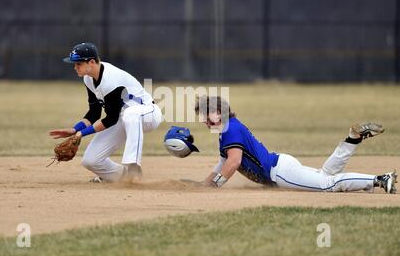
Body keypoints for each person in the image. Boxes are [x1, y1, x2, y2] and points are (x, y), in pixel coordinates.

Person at [192, 95, 397, 193]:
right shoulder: (227, 130)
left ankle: (379, 179)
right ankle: (352, 139)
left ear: (219, 112)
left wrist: (215, 185)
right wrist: (205, 183)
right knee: (325, 175)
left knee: (328, 185)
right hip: (281, 165)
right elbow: (223, 162)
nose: (203, 119)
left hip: (280, 172)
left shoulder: (230, 129)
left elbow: (234, 162)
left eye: (205, 113)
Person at [49, 42, 162, 182]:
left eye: (78, 64)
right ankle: (125, 177)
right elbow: (94, 112)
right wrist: (75, 129)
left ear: (91, 62)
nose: (75, 67)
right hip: (122, 119)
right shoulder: (88, 79)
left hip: (147, 114)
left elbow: (110, 119)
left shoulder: (110, 80)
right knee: (90, 161)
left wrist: (81, 134)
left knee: (130, 114)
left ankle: (133, 164)